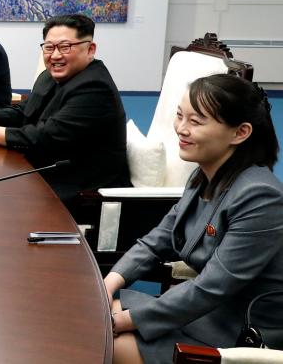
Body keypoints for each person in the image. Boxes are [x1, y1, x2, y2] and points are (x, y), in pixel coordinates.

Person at [105, 74, 283, 364]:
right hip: (201, 311)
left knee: (105, 342)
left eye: (196, 121)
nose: (181, 129)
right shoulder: (204, 175)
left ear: (240, 132)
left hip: (238, 329)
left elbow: (211, 288)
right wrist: (109, 282)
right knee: (97, 307)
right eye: (179, 116)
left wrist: (121, 322)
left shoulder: (261, 196)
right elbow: (157, 241)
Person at [0, 13, 130, 200]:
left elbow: (45, 137)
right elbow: (26, 111)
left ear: (90, 49)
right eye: (49, 47)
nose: (56, 55)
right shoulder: (50, 76)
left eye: (65, 47)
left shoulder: (94, 87)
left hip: (81, 187)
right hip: (44, 168)